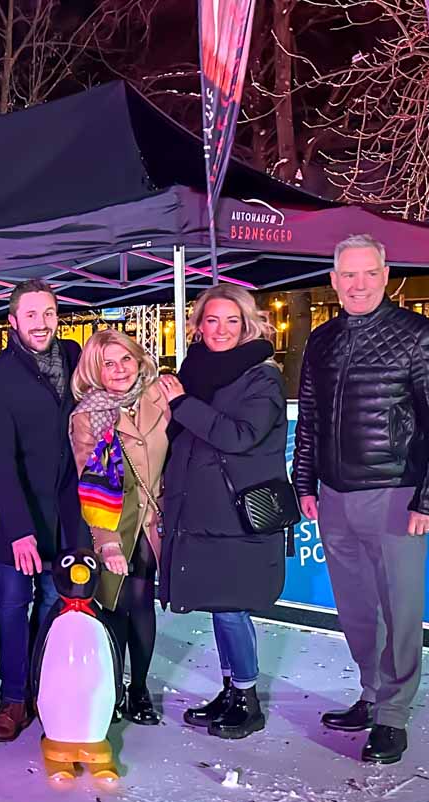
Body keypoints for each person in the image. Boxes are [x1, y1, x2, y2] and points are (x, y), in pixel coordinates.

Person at [293, 234, 429, 764]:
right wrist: (304, 483)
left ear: (386, 275)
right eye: (347, 275)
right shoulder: (321, 341)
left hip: (394, 494)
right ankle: (371, 692)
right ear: (335, 278)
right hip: (335, 496)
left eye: (368, 273)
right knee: (358, 609)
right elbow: (311, 419)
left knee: (400, 608)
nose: (357, 284)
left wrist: (428, 499)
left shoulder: (419, 336)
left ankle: (393, 714)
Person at [157, 284, 287, 739]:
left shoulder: (261, 377)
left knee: (231, 608)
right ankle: (232, 690)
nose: (221, 330)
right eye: (212, 320)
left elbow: (239, 435)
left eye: (232, 321)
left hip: (238, 513)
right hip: (204, 510)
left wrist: (181, 403)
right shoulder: (197, 370)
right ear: (198, 325)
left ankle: (247, 699)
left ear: (248, 323)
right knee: (219, 605)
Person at [0, 279, 88, 743]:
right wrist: (20, 530)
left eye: (49, 313)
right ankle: (14, 698)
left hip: (70, 513)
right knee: (13, 605)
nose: (41, 323)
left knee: (55, 603)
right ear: (13, 321)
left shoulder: (78, 360)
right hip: (18, 515)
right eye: (32, 315)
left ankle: (46, 690)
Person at [69, 330, 169, 725]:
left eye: (125, 359)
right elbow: (87, 482)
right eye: (108, 363)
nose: (120, 369)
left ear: (138, 358)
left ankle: (139, 690)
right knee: (113, 607)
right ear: (95, 370)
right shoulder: (87, 416)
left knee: (142, 605)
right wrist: (106, 541)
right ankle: (111, 688)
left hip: (154, 519)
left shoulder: (162, 396)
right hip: (113, 522)